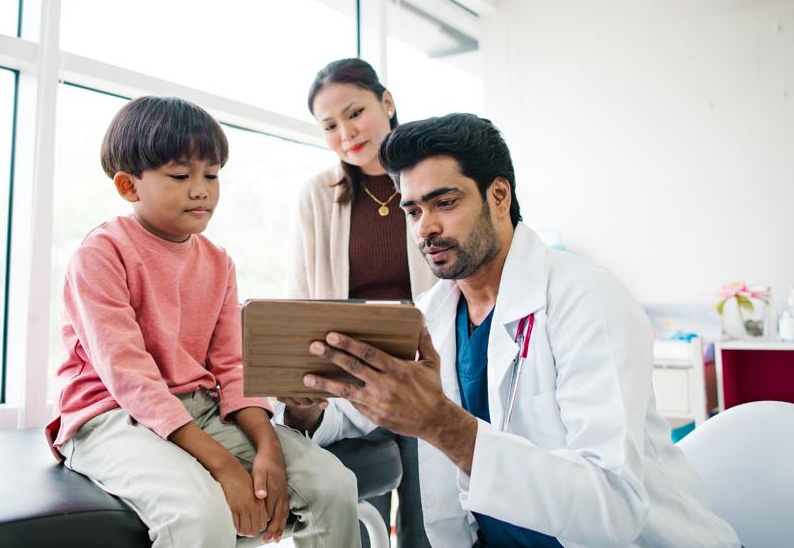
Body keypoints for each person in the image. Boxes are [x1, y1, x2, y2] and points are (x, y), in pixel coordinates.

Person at [286, 113, 740, 547]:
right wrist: (306, 408)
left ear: (499, 196)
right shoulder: (431, 314)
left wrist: (443, 425)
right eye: (413, 211)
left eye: (445, 202)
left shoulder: (587, 299)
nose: (426, 228)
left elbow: (614, 507)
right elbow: (349, 411)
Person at [45, 96, 359, 547]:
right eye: (180, 176)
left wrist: (268, 445)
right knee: (199, 513)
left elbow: (232, 366)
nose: (201, 190)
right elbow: (129, 376)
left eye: (211, 175)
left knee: (333, 485)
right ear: (128, 186)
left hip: (198, 406)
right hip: (108, 415)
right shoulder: (101, 254)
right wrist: (226, 466)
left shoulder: (218, 263)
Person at [281, 58, 436, 547]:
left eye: (355, 113)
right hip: (350, 375)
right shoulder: (317, 196)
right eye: (329, 125)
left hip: (426, 368)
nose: (345, 132)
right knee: (357, 520)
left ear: (386, 103)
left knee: (429, 515)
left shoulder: (428, 183)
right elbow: (301, 299)